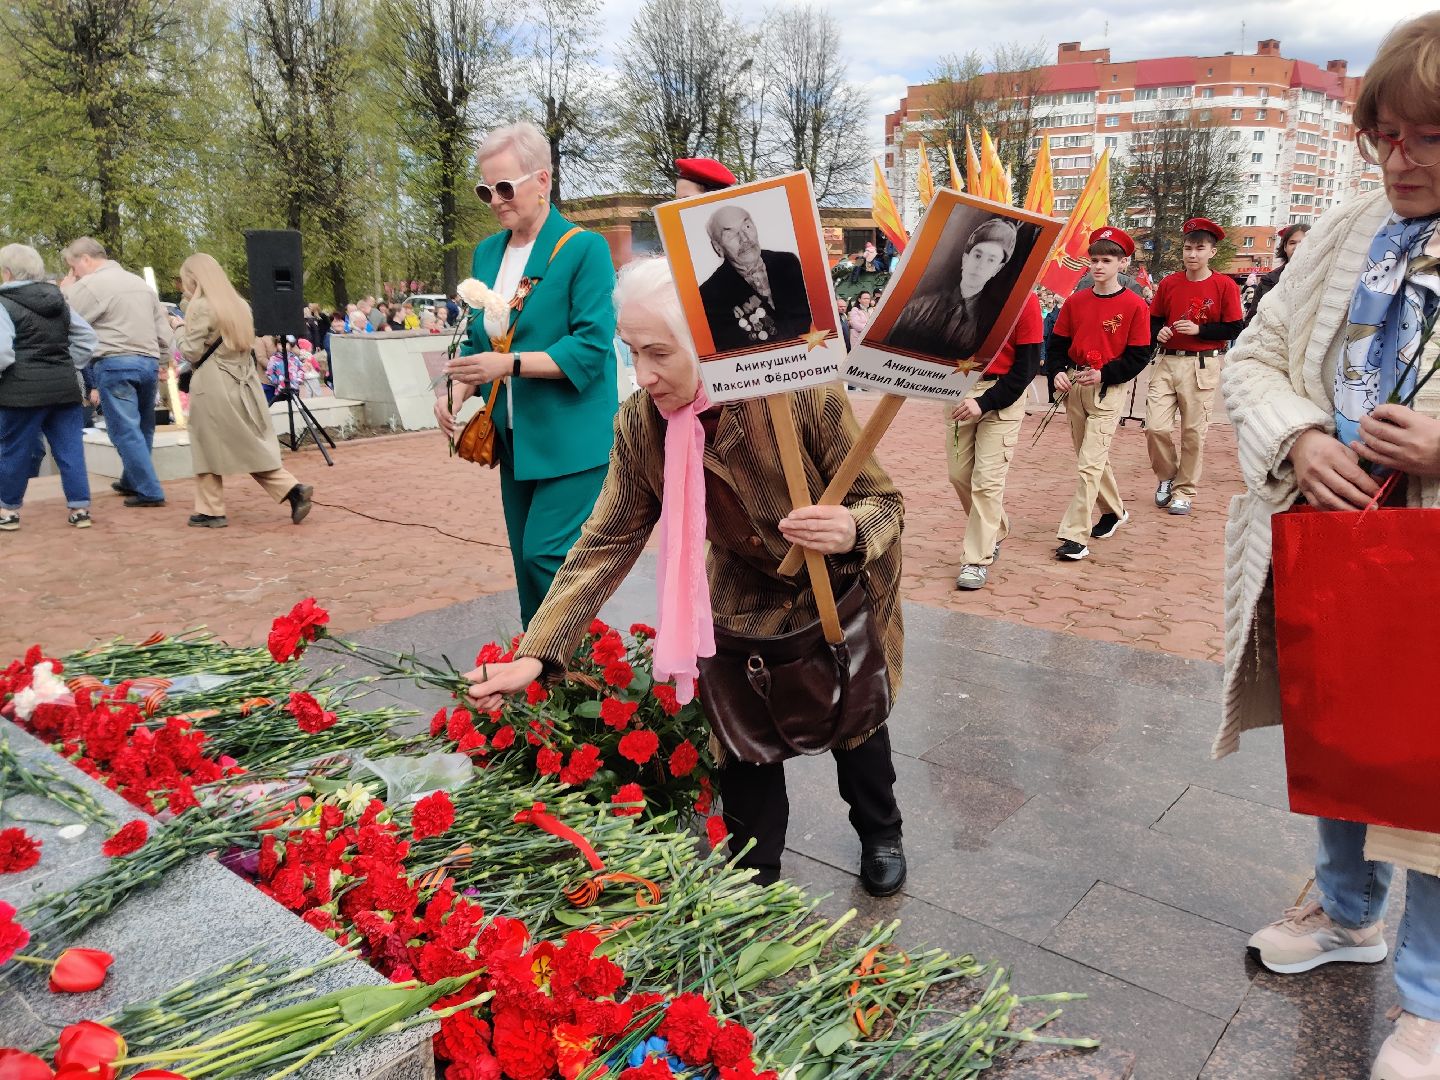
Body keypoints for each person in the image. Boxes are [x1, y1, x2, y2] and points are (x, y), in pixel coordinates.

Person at [462, 257, 908, 897]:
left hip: (828, 585)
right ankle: (755, 878)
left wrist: (851, 530)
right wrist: (535, 654)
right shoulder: (642, 425)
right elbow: (606, 541)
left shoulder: (797, 394)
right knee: (744, 745)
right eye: (631, 353)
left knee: (855, 724)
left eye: (659, 354)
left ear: (706, 345)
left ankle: (881, 831)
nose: (641, 377)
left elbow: (885, 502)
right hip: (734, 594)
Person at [1222, 16, 1440, 1077]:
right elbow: (1252, 358)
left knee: (1436, 780)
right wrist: (1300, 437)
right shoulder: (1343, 228)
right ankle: (1347, 914)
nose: (1399, 159)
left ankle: (1433, 1001)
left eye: (1429, 137)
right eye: (1386, 135)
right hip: (1337, 545)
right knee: (1344, 746)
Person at [437, 122, 619, 628]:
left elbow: (589, 346)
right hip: (514, 438)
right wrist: (453, 391)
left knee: (548, 556)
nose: (495, 200)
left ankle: (583, 668)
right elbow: (478, 340)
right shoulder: (487, 253)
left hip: (572, 437)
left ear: (542, 180)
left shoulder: (584, 248)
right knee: (524, 561)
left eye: (505, 187)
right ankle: (544, 680)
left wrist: (509, 365)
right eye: (485, 190)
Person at [176, 253, 313, 529]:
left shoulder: (201, 306)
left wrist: (178, 328)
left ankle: (211, 510)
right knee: (246, 442)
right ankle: (290, 488)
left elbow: (190, 351)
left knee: (205, 445)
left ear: (193, 278)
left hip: (213, 384)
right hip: (242, 379)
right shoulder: (240, 305)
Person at [1048, 226, 1152, 560]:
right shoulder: (1076, 302)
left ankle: (1075, 535)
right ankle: (1115, 511)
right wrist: (1057, 373)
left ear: (1123, 263)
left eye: (1107, 260)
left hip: (1109, 388)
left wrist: (1105, 373)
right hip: (1077, 385)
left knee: (1089, 464)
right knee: (1089, 458)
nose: (1098, 266)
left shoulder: (1135, 306)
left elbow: (1138, 356)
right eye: (1094, 259)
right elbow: (1058, 344)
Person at [60, 237, 172, 508]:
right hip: (147, 361)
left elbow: (65, 319)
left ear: (85, 259)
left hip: (115, 362)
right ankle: (131, 479)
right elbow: (163, 328)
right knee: (143, 426)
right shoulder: (138, 283)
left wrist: (65, 292)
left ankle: (149, 489)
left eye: (73, 267)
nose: (73, 273)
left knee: (123, 430)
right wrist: (164, 360)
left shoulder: (89, 285)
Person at [1146, 217, 1244, 516]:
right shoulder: (1170, 283)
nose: (1192, 254)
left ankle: (1185, 490)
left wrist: (1201, 331)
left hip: (1201, 364)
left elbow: (1234, 327)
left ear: (1212, 252)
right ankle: (1167, 476)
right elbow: (1154, 319)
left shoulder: (1224, 285)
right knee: (1155, 427)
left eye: (1200, 249)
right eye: (1188, 248)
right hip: (1166, 360)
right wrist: (1158, 332)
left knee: (1193, 431)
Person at [948, 288, 1044, 590]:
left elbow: (1027, 368)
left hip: (1003, 396)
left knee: (986, 482)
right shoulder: (959, 294)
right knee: (959, 475)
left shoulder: (1025, 299)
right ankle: (997, 527)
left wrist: (986, 401)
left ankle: (976, 560)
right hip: (960, 390)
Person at [0, 244, 99, 531]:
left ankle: (8, 510)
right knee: (70, 449)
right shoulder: (59, 300)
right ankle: (80, 508)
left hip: (20, 391)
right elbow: (87, 339)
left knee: (13, 450)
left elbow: (3, 353)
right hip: (64, 387)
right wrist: (70, 365)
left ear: (7, 272)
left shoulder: (3, 302)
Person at [886, 217, 1018, 361]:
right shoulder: (918, 308)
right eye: (978, 255)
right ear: (965, 258)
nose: (980, 265)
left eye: (991, 260)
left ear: (997, 269)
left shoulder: (992, 325)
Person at [696, 206, 811, 353]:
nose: (745, 238)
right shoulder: (710, 294)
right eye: (731, 235)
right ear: (718, 247)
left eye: (747, 226)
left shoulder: (788, 263)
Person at [1243, 223, 1311, 330]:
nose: (1297, 247)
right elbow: (1252, 320)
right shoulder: (1269, 280)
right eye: (1292, 243)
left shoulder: (1321, 277)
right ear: (1285, 247)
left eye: (1303, 242)